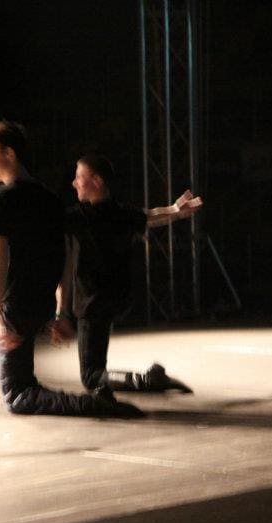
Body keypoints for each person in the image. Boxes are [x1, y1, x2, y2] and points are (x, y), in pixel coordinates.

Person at [0, 121, 138, 415]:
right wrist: (60, 313)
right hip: (39, 306)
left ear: (9, 153)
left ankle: (92, 403)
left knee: (18, 395)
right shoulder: (50, 199)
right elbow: (62, 256)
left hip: (13, 308)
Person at [49, 155, 200, 395]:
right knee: (95, 370)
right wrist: (175, 210)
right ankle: (148, 379)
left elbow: (43, 227)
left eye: (79, 177)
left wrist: (62, 314)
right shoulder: (121, 212)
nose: (74, 183)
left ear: (97, 181)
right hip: (113, 300)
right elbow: (149, 216)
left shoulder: (80, 217)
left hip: (91, 304)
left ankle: (147, 379)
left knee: (91, 377)